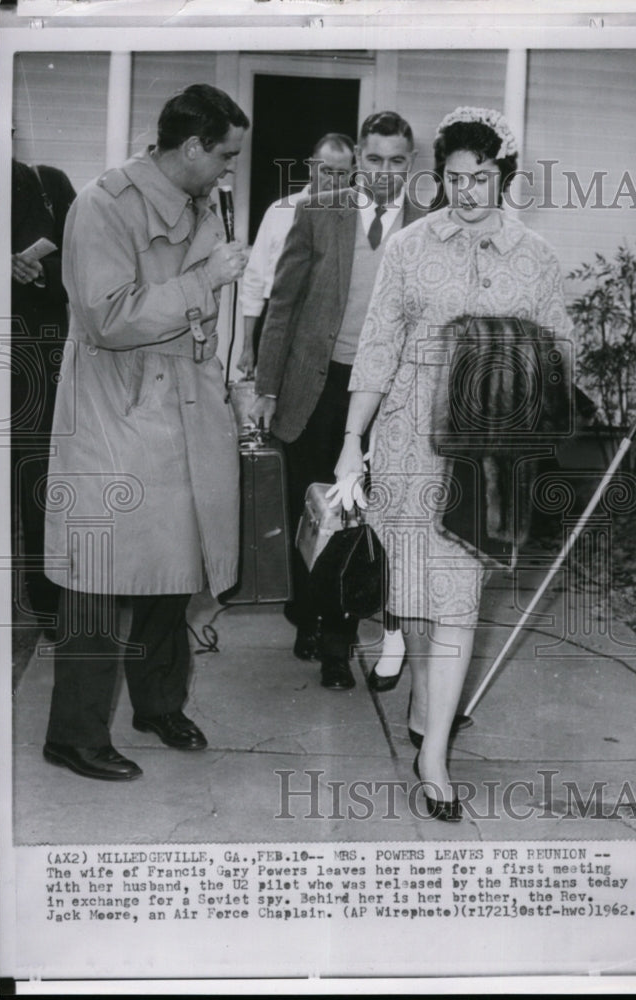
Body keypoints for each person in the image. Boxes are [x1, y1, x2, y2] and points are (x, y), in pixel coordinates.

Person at [333, 107, 574, 820]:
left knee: (460, 601)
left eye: (482, 178)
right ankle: (424, 709)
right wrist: (353, 438)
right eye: (454, 178)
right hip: (410, 442)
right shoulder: (408, 248)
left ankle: (433, 752)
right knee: (416, 599)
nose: (467, 192)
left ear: (505, 176)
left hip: (487, 451)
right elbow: (377, 345)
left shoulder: (536, 256)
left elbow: (561, 349)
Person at [42, 84, 250, 781]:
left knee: (172, 570)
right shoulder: (102, 205)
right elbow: (106, 316)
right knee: (97, 577)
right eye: (225, 156)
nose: (230, 171)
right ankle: (72, 735)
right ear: (191, 147)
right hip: (116, 417)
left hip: (183, 411)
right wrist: (204, 283)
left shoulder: (200, 203)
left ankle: (157, 705)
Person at [251, 111, 424, 691]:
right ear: (358, 160)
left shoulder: (429, 224)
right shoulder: (317, 212)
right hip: (314, 384)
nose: (383, 172)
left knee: (356, 517)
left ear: (411, 163)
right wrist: (267, 388)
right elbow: (283, 305)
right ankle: (306, 611)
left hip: (384, 392)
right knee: (313, 508)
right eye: (373, 159)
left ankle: (336, 639)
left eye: (396, 161)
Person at [11, 157, 76, 636]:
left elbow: (78, 258)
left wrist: (37, 269)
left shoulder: (42, 182)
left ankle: (47, 601)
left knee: (39, 482)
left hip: (34, 359)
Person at [237, 132, 355, 377]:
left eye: (341, 173)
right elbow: (254, 282)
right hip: (276, 321)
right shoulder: (280, 212)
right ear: (312, 166)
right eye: (326, 171)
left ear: (353, 172)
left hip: (328, 329)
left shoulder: (356, 220)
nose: (333, 181)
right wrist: (248, 346)